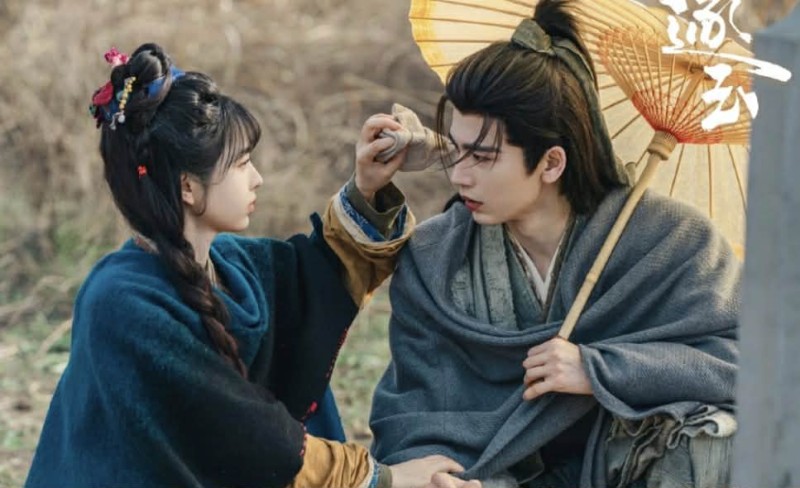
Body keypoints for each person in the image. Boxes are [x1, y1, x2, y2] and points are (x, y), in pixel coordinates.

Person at [24, 43, 466, 488]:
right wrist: (386, 478)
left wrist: (368, 183)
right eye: (241, 164)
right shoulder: (122, 303)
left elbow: (318, 277)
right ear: (187, 187)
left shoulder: (231, 263)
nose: (257, 178)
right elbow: (248, 436)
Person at [369, 1, 740, 487]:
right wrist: (436, 472)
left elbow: (741, 365)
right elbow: (412, 402)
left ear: (551, 163)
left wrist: (600, 369)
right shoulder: (436, 255)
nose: (459, 176)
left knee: (713, 437)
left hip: (621, 468)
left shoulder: (671, 240)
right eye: (457, 151)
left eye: (482, 157)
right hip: (489, 472)